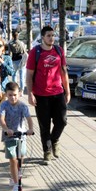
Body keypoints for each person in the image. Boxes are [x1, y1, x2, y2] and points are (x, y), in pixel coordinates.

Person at [25, 26, 70, 164]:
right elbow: (29, 74)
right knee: (44, 125)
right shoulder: (35, 52)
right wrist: (30, 94)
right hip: (41, 95)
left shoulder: (58, 50)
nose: (51, 38)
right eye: (48, 36)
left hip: (58, 93)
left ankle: (55, 140)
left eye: (53, 35)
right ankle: (47, 151)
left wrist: (67, 91)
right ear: (43, 37)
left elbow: (64, 72)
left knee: (62, 121)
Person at [0, 82, 34, 191]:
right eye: (10, 95)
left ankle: (16, 174)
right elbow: (1, 119)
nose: (12, 97)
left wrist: (30, 129)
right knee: (13, 160)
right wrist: (6, 129)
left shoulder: (23, 106)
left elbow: (29, 119)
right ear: (6, 95)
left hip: (21, 135)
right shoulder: (4, 105)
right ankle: (15, 184)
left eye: (14, 95)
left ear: (19, 94)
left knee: (21, 157)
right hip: (9, 136)